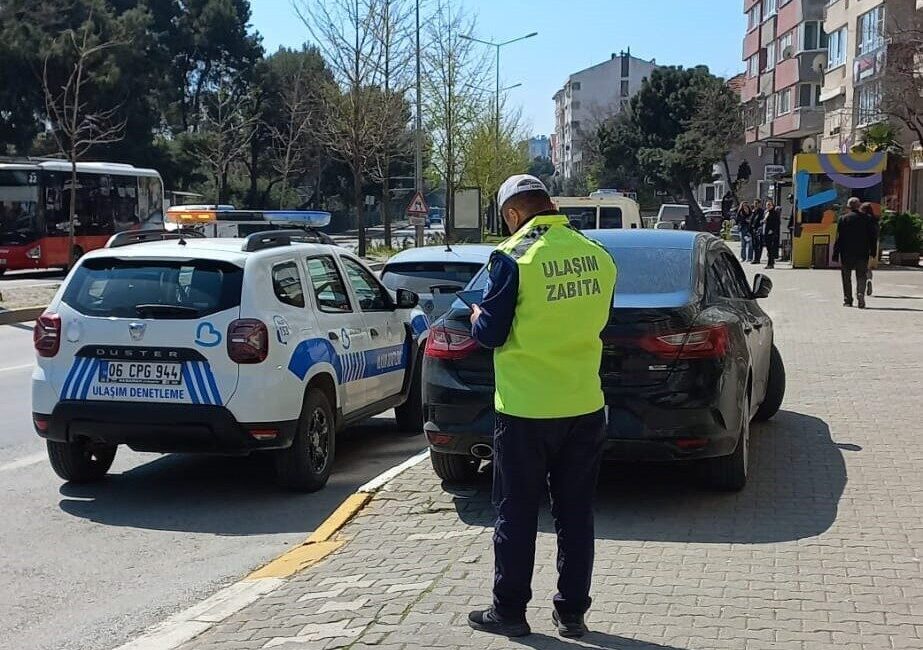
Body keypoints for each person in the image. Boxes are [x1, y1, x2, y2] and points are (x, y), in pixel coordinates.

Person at [467, 174, 617, 639]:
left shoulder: (513, 258)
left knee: (516, 512)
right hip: (583, 404)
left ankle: (509, 612)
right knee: (576, 513)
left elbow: (491, 333)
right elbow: (599, 320)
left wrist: (476, 315)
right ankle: (572, 613)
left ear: (513, 213)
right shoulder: (597, 255)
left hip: (525, 409)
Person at [833, 197, 878, 308]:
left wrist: (835, 253)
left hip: (846, 253)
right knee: (861, 275)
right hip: (862, 252)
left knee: (846, 277)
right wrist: (873, 251)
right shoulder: (867, 219)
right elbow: (873, 236)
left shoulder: (843, 219)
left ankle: (848, 300)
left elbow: (839, 238)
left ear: (848, 206)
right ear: (858, 206)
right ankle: (860, 293)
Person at [860, 202, 879, 296]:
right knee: (868, 267)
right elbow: (875, 237)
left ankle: (862, 285)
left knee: (861, 268)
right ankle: (869, 280)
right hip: (871, 248)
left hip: (861, 247)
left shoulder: (861, 220)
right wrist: (874, 251)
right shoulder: (874, 221)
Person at [763, 199, 781, 269]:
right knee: (768, 249)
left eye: (769, 205)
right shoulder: (767, 212)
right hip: (766, 232)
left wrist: (773, 230)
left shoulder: (774, 213)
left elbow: (777, 223)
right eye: (767, 205)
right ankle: (771, 262)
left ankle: (770, 264)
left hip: (771, 233)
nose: (768, 206)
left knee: (770, 249)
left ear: (772, 206)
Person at [750, 199, 765, 264]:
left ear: (759, 204)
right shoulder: (754, 211)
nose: (755, 205)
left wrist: (759, 229)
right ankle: (755, 258)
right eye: (754, 203)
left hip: (758, 230)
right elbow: (752, 220)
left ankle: (757, 259)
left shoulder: (762, 212)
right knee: (754, 245)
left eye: (756, 203)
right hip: (753, 229)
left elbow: (761, 221)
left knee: (758, 245)